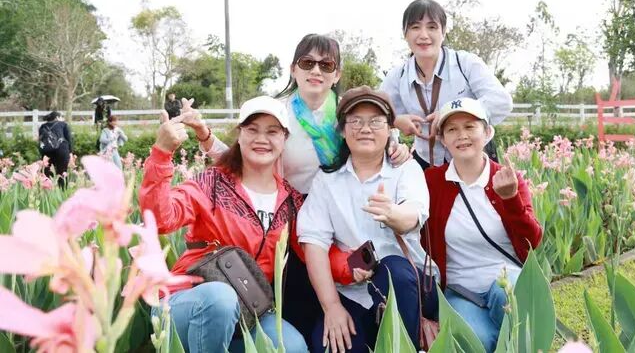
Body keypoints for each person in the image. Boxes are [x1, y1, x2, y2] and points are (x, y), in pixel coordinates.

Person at [182, 33, 411, 346]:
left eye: (326, 65)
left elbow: (377, 135)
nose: (316, 70)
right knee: (299, 309)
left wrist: (397, 148)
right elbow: (245, 158)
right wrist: (205, 135)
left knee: (355, 287)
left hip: (347, 217)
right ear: (293, 69)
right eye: (307, 63)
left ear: (337, 74)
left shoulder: (347, 115)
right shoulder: (277, 113)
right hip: (291, 221)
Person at [140, 96, 309, 353]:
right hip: (189, 301)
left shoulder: (290, 201)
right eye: (252, 129)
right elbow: (161, 220)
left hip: (249, 309)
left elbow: (314, 250)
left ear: (284, 139)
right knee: (220, 299)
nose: (261, 139)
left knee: (293, 346)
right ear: (239, 136)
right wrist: (162, 154)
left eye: (272, 131)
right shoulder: (213, 183)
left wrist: (352, 265)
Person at [297, 86, 437, 353]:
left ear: (390, 129)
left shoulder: (405, 169)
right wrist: (332, 307)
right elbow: (314, 242)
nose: (365, 129)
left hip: (410, 287)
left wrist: (393, 214)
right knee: (330, 345)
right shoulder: (327, 180)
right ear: (342, 130)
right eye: (355, 121)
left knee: (393, 270)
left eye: (375, 121)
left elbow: (413, 215)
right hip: (352, 291)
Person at [422, 97, 542, 352]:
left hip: (504, 277)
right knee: (477, 341)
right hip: (460, 289)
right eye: (452, 129)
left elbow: (532, 241)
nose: (461, 135)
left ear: (487, 133)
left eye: (470, 127)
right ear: (443, 139)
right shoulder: (432, 182)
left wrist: (511, 199)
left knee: (510, 307)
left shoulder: (507, 178)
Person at [380, 0, 514, 169]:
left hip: (474, 158)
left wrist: (450, 113)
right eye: (415, 27)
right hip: (427, 161)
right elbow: (376, 115)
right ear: (405, 34)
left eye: (432, 27)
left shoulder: (465, 63)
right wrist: (396, 121)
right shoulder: (397, 76)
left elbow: (502, 102)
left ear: (443, 32)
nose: (423, 35)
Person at [38, 111, 72, 188]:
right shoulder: (63, 124)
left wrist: (41, 154)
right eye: (61, 117)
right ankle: (62, 191)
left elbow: (41, 141)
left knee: (47, 174)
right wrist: (70, 152)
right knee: (62, 172)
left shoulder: (43, 126)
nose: (63, 118)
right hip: (62, 150)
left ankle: (48, 190)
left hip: (47, 152)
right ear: (57, 117)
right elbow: (69, 139)